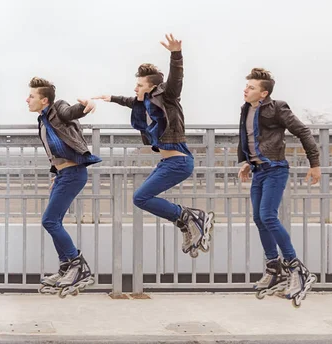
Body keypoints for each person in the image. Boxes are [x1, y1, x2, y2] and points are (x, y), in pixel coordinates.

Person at [94, 34, 214, 258]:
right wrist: (110, 97)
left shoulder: (167, 97)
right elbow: (130, 100)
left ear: (152, 87)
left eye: (139, 85)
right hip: (167, 162)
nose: (135, 88)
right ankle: (189, 222)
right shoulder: (145, 102)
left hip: (178, 162)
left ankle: (190, 217)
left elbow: (176, 80)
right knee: (140, 198)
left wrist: (176, 55)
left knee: (140, 198)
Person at [237, 67, 320, 307]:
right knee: (259, 218)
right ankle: (274, 268)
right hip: (258, 170)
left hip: (275, 169)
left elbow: (303, 131)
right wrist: (247, 161)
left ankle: (297, 268)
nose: (245, 89)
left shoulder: (277, 108)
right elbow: (250, 138)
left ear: (263, 93)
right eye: (247, 86)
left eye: (251, 87)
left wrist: (314, 164)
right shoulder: (246, 109)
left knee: (268, 216)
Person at [26, 76, 101, 298]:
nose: (27, 99)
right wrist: (56, 174)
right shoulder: (43, 119)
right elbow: (57, 150)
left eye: (31, 96)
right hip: (64, 174)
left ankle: (77, 265)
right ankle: (66, 267)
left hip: (74, 173)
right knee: (53, 220)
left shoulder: (58, 108)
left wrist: (85, 106)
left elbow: (71, 112)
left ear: (45, 100)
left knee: (49, 220)